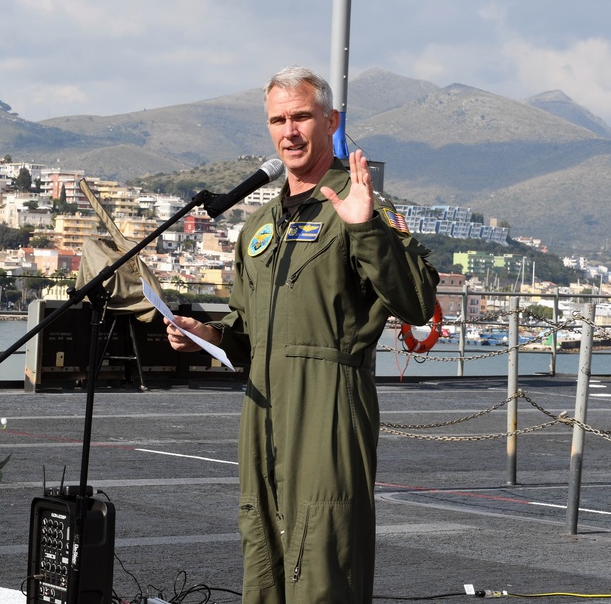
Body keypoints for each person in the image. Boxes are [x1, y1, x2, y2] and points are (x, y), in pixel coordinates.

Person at [166, 65, 440, 604]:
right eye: (277, 119)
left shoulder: (360, 203)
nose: (289, 131)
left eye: (302, 117)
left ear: (331, 121)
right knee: (263, 545)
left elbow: (417, 303)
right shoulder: (259, 225)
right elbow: (246, 330)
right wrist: (209, 334)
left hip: (329, 403)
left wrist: (365, 229)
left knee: (324, 554)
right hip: (263, 404)